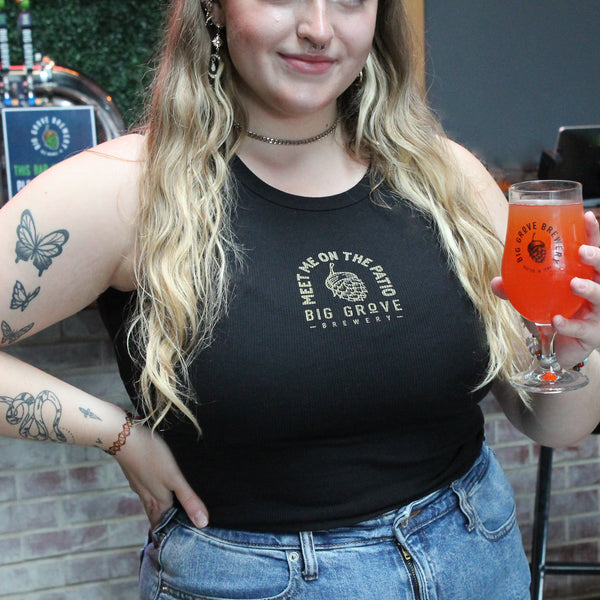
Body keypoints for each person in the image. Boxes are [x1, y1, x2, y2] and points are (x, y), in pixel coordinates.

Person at [1, 0, 599, 598]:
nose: (318, 28)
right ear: (214, 8)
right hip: (254, 578)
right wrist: (116, 434)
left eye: (349, 1)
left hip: (475, 555)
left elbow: (554, 422)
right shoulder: (126, 188)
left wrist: (575, 347)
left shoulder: (448, 177)